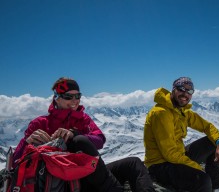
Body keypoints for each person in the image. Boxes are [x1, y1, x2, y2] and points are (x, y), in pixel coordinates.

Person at [13, 77, 155, 192]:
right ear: (56, 98)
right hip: (62, 182)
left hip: (89, 174)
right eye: (69, 96)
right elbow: (16, 161)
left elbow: (100, 140)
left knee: (133, 163)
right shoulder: (40, 123)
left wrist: (75, 134)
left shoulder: (83, 119)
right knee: (80, 141)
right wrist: (28, 142)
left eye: (78, 96)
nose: (75, 101)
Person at [144, 77, 219, 192]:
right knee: (203, 180)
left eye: (189, 91)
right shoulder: (161, 113)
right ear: (173, 90)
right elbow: (170, 154)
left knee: (212, 143)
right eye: (181, 89)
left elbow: (207, 126)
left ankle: (216, 189)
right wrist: (197, 169)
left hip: (177, 157)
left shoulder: (181, 111)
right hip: (160, 166)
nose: (185, 94)